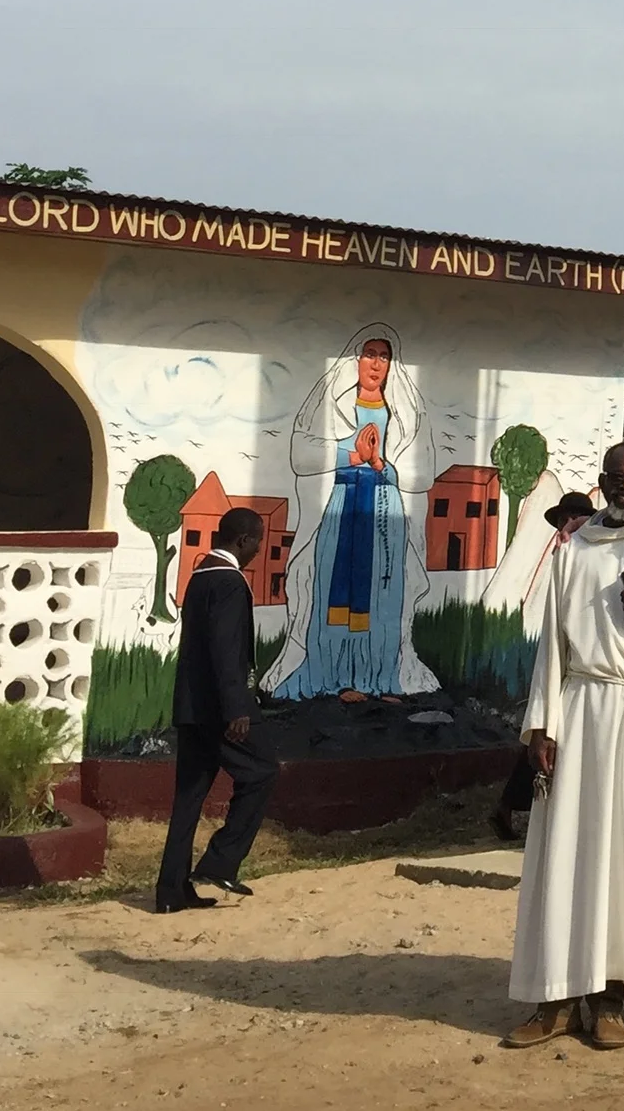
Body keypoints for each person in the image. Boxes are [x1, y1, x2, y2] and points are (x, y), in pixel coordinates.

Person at [504, 443, 624, 1053]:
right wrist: (542, 727)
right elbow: (552, 646)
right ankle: (553, 998)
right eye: (617, 476)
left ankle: (609, 999)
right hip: (580, 708)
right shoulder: (574, 551)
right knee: (566, 853)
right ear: (603, 481)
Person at [267, 326, 436, 702]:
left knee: (384, 597)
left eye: (384, 356)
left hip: (383, 516)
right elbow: (302, 453)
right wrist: (352, 454)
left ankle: (381, 677)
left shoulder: (404, 412)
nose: (376, 364)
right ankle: (333, 675)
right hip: (341, 512)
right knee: (331, 596)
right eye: (369, 353)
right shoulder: (333, 405)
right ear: (354, 359)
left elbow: (422, 470)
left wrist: (380, 462)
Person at [155, 506, 279, 912]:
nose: (259, 549)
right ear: (242, 540)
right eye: (258, 541)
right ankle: (221, 861)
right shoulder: (229, 582)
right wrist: (237, 708)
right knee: (261, 771)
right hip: (219, 710)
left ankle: (171, 891)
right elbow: (227, 652)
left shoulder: (200, 576)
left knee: (189, 798)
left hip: (192, 707)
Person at [492, 491, 599, 841]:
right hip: (561, 657)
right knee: (543, 736)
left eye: (572, 518)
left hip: (582, 659)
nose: (564, 526)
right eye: (562, 520)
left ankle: (514, 806)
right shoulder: (563, 550)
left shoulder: (587, 549)